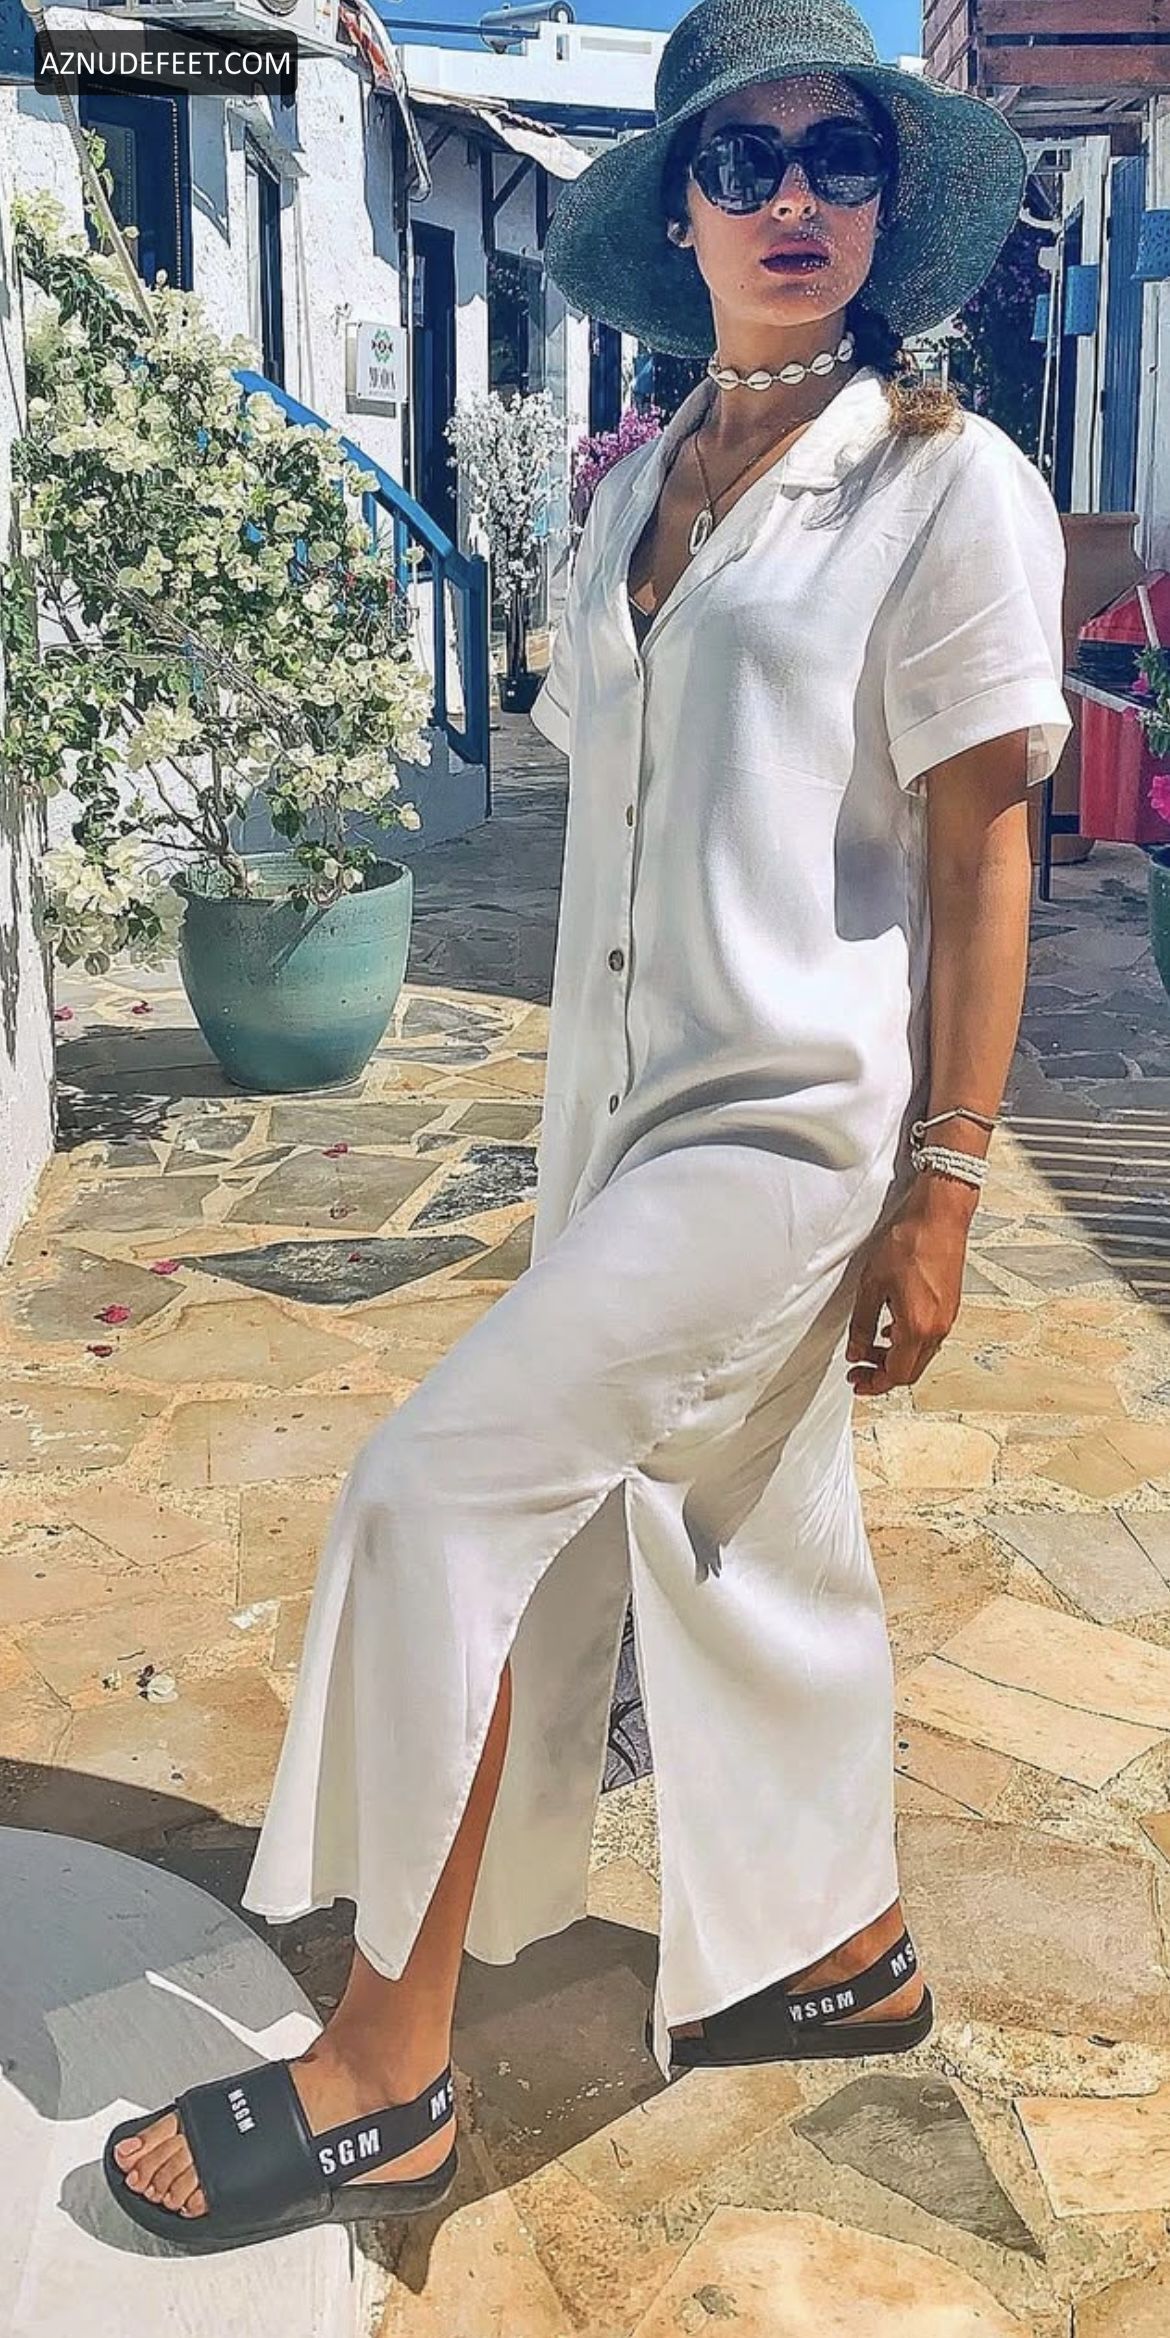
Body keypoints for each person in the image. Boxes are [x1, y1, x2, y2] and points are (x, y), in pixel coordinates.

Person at [104, 0, 1071, 2253]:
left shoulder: (947, 487)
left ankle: (387, 2065)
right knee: (738, 1539)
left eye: (841, 159)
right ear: (680, 212)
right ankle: (840, 1944)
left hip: (787, 1133)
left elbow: (981, 851)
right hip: (611, 1124)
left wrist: (943, 1178)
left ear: (889, 206)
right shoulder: (634, 492)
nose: (795, 199)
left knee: (441, 1493)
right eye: (745, 162)